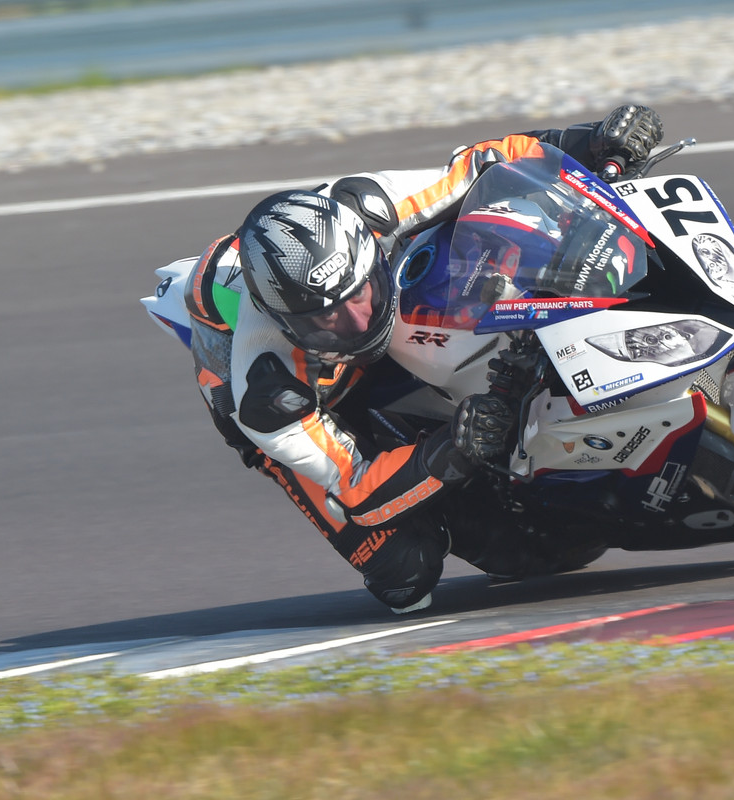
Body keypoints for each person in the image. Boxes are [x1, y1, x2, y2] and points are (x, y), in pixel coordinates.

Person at [181, 105, 665, 614]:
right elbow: (357, 490)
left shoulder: (371, 206)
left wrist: (594, 142)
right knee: (405, 573)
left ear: (366, 250)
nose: (357, 320)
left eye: (359, 293)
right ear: (286, 322)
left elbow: (489, 163)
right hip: (284, 391)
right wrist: (452, 447)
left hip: (350, 274)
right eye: (328, 318)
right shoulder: (267, 388)